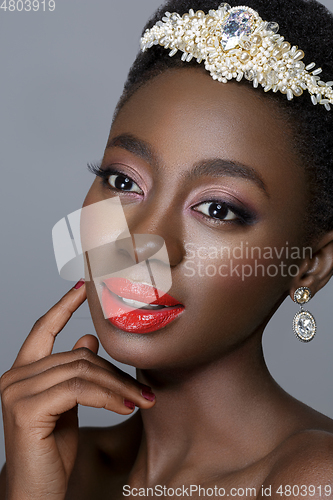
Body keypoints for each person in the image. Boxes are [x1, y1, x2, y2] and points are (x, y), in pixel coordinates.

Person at [1, 0, 333, 498]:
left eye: (218, 209)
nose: (141, 243)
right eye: (122, 180)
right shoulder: (56, 463)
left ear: (308, 267)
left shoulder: (313, 479)